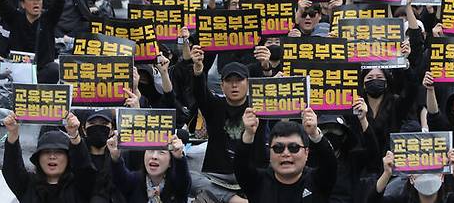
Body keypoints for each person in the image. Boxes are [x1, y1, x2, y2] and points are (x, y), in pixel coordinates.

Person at [191, 47, 267, 203]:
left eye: (239, 80)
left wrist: (265, 68)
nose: (234, 85)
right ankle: (232, 199)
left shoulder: (259, 107)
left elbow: (273, 90)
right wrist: (198, 70)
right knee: (191, 178)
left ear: (248, 82)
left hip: (253, 174)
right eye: (229, 81)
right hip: (218, 177)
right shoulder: (214, 106)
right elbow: (200, 93)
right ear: (221, 84)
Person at [234, 107, 338, 202]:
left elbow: (330, 163)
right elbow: (240, 164)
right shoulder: (257, 182)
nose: (286, 153)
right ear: (270, 153)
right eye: (278, 148)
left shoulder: (318, 181)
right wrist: (248, 133)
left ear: (306, 153)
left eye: (294, 148)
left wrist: (314, 133)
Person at [2, 112, 96, 203]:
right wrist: (13, 133)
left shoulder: (79, 185)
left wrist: (74, 135)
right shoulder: (27, 185)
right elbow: (11, 168)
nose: (52, 156)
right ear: (38, 158)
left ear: (68, 158)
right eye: (46, 152)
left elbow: (84, 167)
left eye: (58, 152)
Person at [0, 0, 64, 83]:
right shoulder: (15, 18)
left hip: (41, 75)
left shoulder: (48, 18)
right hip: (18, 73)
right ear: (22, 4)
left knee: (54, 69)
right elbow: (1, 0)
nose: (36, 2)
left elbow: (60, 0)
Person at [107, 131, 191, 203]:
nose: (154, 156)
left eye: (161, 152)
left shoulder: (177, 183)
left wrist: (179, 157)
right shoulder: (134, 180)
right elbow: (120, 177)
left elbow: (183, 178)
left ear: (170, 162)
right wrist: (115, 156)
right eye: (150, 151)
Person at [368, 149, 454, 203]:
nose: (427, 174)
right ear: (411, 178)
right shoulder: (402, 200)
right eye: (420, 170)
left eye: (433, 170)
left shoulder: (452, 200)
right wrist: (386, 174)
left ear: (442, 177)